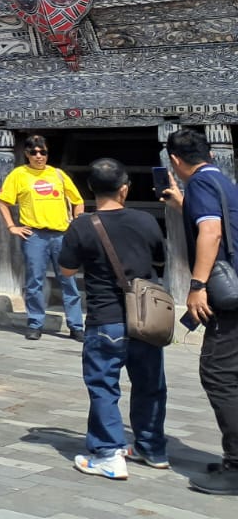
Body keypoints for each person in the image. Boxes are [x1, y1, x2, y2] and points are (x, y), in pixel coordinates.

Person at [57, 157, 168, 480]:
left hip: (105, 318)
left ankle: (108, 453)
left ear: (90, 189)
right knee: (150, 384)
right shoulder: (146, 220)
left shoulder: (81, 226)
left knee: (104, 386)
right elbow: (160, 260)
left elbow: (66, 270)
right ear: (124, 189)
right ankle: (152, 448)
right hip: (146, 317)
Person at [164, 128, 238, 497]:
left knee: (220, 375)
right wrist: (181, 205)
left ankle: (237, 466)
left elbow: (212, 232)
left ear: (175, 160)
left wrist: (196, 286)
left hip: (227, 300)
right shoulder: (222, 181)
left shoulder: (199, 186)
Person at [0, 134, 85, 340]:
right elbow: (2, 201)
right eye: (34, 152)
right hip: (34, 234)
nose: (39, 156)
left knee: (68, 280)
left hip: (61, 235)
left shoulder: (58, 174)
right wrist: (12, 226)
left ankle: (76, 325)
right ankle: (35, 322)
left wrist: (76, 221)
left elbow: (77, 200)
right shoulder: (18, 175)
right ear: (26, 154)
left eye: (42, 152)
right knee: (34, 280)